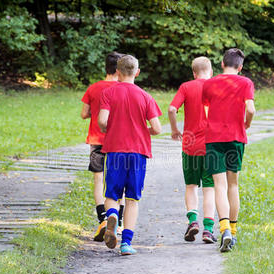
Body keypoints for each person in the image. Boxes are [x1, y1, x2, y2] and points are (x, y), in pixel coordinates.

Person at [98, 55, 162, 255]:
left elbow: (102, 121)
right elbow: (157, 128)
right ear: (137, 72)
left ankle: (112, 215)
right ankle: (126, 243)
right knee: (132, 199)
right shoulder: (145, 96)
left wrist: (114, 127)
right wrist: (143, 130)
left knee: (111, 195)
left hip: (116, 150)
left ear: (117, 72)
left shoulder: (108, 92)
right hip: (138, 152)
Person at [202, 48, 255, 252]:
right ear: (240, 67)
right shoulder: (245, 83)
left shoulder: (209, 84)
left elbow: (206, 109)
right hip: (235, 138)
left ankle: (223, 227)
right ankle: (232, 232)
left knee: (219, 185)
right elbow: (250, 109)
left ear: (222, 64)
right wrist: (246, 123)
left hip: (214, 139)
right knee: (233, 185)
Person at [168, 56, 217, 243]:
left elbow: (172, 109)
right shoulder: (216, 86)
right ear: (211, 71)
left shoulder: (186, 87)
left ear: (194, 73)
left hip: (190, 145)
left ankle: (193, 221)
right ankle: (208, 229)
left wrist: (174, 130)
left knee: (191, 186)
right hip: (212, 145)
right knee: (210, 188)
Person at [80, 51, 126, 242]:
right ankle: (119, 221)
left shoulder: (94, 88)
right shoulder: (124, 88)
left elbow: (84, 114)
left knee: (99, 179)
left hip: (96, 140)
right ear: (119, 69)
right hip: (118, 141)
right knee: (119, 181)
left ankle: (102, 219)